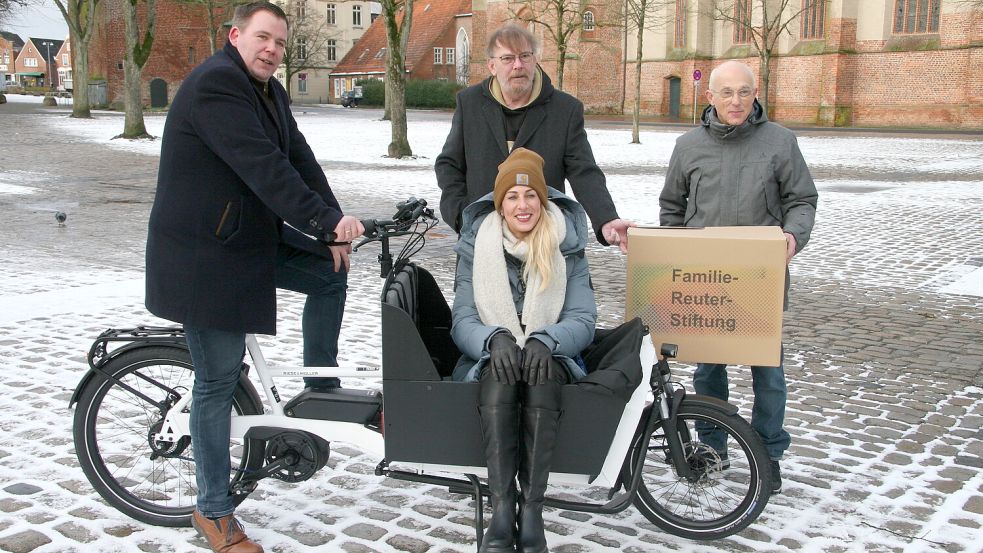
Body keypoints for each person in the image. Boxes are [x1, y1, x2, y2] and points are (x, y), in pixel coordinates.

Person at [144, 3, 364, 551]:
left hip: (244, 239)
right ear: (235, 36)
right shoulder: (217, 85)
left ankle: (318, 387)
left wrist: (332, 227)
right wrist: (323, 220)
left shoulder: (268, 89)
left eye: (279, 43)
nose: (272, 49)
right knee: (217, 381)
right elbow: (264, 168)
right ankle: (213, 512)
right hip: (207, 258)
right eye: (262, 38)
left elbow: (299, 158)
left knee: (327, 272)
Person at [659, 60, 818, 495]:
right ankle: (714, 448)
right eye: (726, 92)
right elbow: (672, 207)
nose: (735, 101)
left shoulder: (780, 143)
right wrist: (675, 255)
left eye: (744, 92)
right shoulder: (688, 146)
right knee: (709, 371)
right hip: (705, 283)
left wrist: (792, 236)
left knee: (768, 374)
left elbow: (802, 199)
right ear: (709, 96)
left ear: (756, 93)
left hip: (759, 277)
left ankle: (768, 453)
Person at [451, 148, 596, 553]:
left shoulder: (565, 245)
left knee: (540, 371)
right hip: (491, 358)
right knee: (500, 373)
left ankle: (532, 511)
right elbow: (462, 318)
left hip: (552, 357)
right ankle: (502, 511)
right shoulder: (476, 247)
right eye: (512, 197)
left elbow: (583, 319)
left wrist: (547, 339)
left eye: (531, 195)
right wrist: (492, 338)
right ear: (500, 205)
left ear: (543, 200)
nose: (523, 205)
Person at [436, 23, 633, 253]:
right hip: (482, 240)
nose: (518, 65)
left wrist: (606, 218)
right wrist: (462, 215)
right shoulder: (469, 104)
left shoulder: (565, 110)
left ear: (535, 60)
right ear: (492, 65)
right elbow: (448, 165)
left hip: (544, 243)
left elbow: (584, 171)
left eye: (525, 56)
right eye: (508, 58)